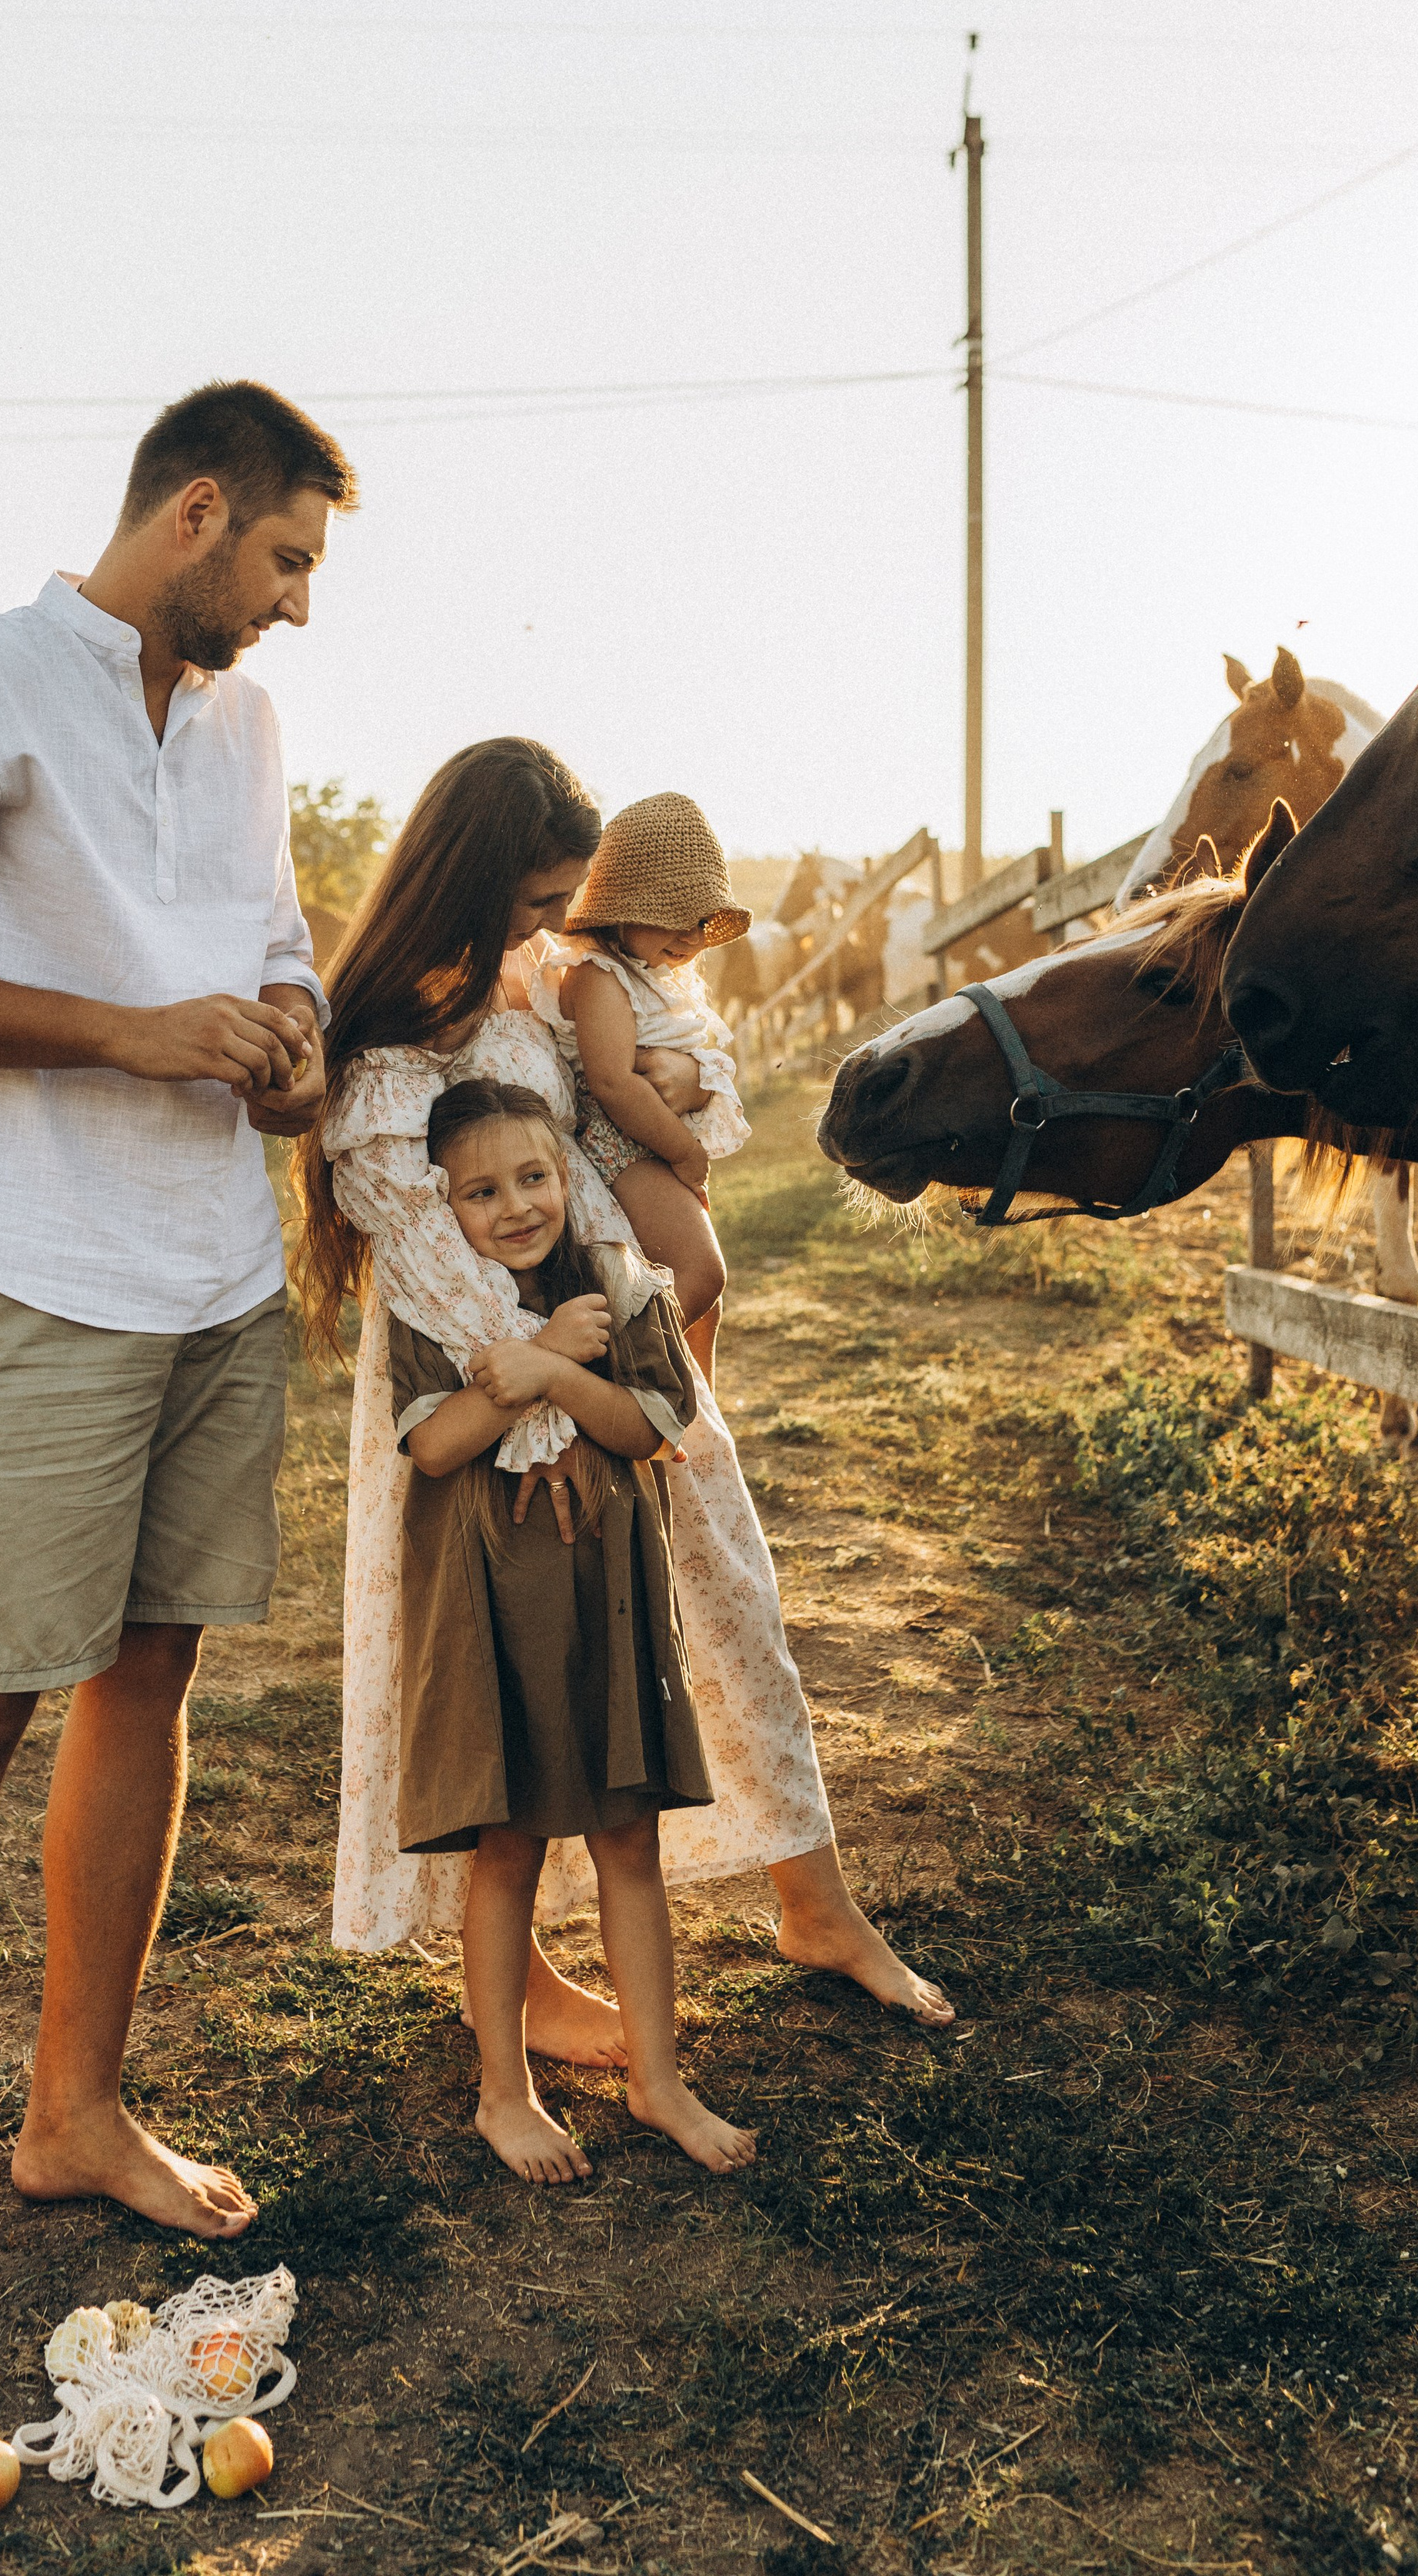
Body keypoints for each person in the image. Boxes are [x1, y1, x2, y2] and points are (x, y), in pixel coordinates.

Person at [0, 379, 356, 2362]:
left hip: (211, 1267)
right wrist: (129, 1034)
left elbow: (269, 940)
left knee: (152, 1673)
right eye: (283, 558)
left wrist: (283, 1029)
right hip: (29, 1271)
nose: (294, 605)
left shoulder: (248, 723)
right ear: (194, 511)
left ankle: (71, 2104)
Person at [293, 735, 955, 2042]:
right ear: (471, 884)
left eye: (560, 906)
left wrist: (677, 1091)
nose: (552, 932)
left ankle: (813, 1895)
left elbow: (622, 1091)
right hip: (504, 1399)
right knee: (511, 1681)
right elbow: (442, 1284)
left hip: (613, 1342)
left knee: (730, 1605)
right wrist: (556, 1407)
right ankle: (522, 1977)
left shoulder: (534, 984)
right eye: (536, 904)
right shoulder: (378, 1063)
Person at [393, 1077, 753, 2181]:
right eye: (483, 1190)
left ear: (568, 1177)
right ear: (442, 1205)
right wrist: (532, 1364)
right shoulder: (433, 1299)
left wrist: (549, 1368)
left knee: (628, 1836)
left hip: (609, 1588)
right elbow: (438, 1445)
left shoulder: (618, 1282)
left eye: (536, 1178)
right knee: (506, 1848)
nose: (516, 1207)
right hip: (497, 1598)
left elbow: (651, 1430)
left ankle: (658, 2077)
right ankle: (506, 2093)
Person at [529, 789, 751, 1383]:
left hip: (651, 1139)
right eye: (672, 913)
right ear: (622, 904)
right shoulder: (598, 975)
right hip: (621, 1145)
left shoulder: (650, 973)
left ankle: (690, 1408)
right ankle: (611, 1375)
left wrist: (697, 1093)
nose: (690, 934)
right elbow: (611, 1081)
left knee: (707, 1303)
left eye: (702, 920)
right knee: (699, 1274)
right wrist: (683, 1150)